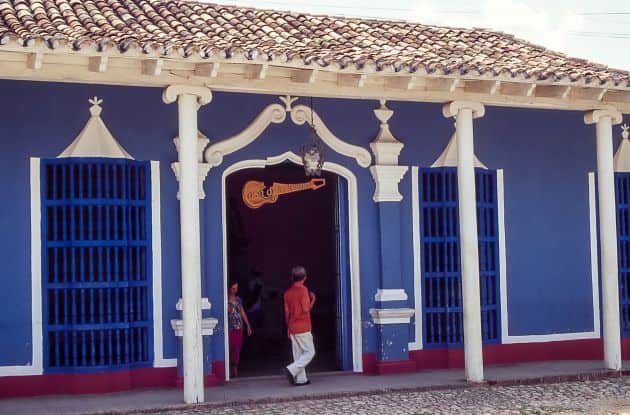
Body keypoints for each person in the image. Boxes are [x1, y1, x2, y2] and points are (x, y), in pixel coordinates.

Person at [283, 266, 316, 386]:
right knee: (310, 352)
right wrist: (313, 299)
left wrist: (288, 327)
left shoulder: (287, 293)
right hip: (303, 326)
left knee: (298, 354)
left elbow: (287, 312)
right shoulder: (303, 291)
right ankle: (291, 369)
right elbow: (306, 309)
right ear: (304, 278)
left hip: (292, 326)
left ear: (293, 278)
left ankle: (301, 379)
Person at [227, 280, 252, 378]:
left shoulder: (238, 300)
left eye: (236, 288)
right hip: (230, 328)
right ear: (229, 289)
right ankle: (231, 368)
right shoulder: (225, 300)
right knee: (231, 348)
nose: (235, 290)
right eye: (233, 288)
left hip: (239, 327)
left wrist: (248, 325)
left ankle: (235, 367)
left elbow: (242, 312)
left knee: (237, 348)